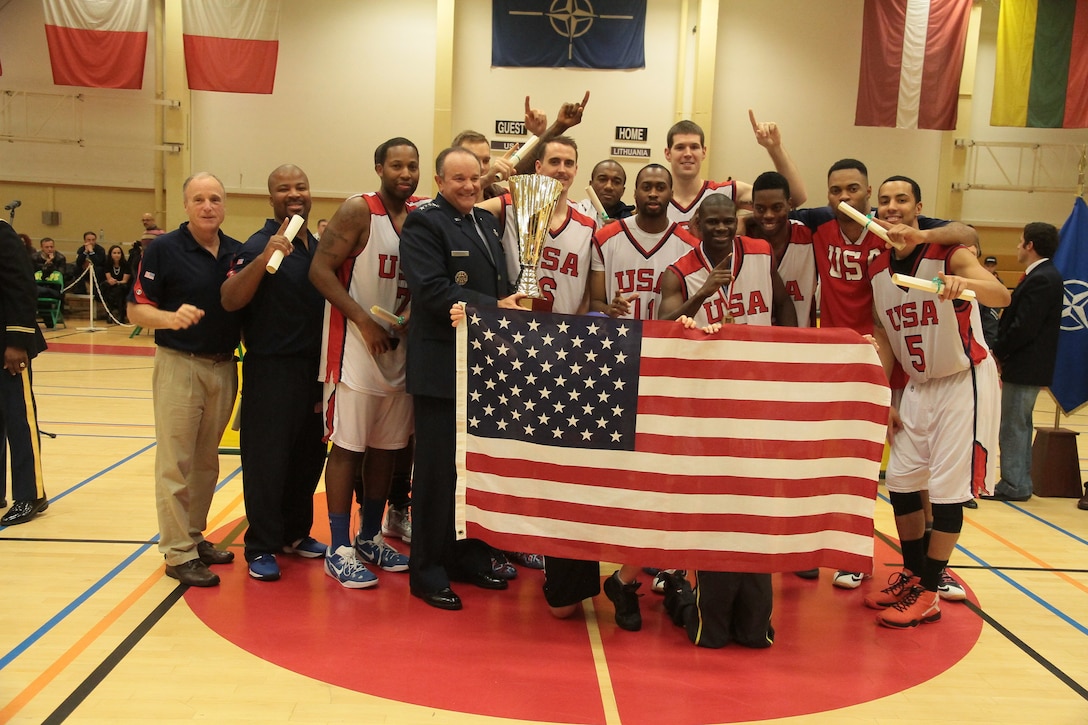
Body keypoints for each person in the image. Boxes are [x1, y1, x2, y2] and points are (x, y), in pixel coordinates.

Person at [791, 158, 979, 590]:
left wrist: (922, 234)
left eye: (855, 189)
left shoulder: (918, 236)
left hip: (922, 363)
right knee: (865, 468)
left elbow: (966, 234)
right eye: (837, 190)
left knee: (925, 477)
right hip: (862, 361)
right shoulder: (827, 227)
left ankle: (933, 569)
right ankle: (857, 554)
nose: (845, 197)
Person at [864, 176, 1009, 627]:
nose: (891, 207)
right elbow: (887, 334)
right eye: (884, 200)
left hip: (963, 379)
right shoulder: (877, 269)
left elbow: (1001, 294)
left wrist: (959, 285)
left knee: (946, 491)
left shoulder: (949, 253)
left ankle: (930, 591)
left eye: (901, 200)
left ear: (918, 207)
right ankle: (912, 573)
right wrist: (886, 393)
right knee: (903, 483)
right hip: (919, 385)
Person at [399, 146, 526, 610]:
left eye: (475, 178)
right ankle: (427, 570)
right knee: (435, 474)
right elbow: (432, 290)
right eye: (459, 179)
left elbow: (491, 285)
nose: (470, 186)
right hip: (439, 369)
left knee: (471, 472)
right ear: (439, 180)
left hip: (480, 367)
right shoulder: (424, 223)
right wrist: (496, 306)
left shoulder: (485, 223)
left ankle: (465, 556)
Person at [309, 138, 424, 589]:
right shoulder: (359, 210)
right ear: (379, 167)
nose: (405, 173)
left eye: (412, 166)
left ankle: (370, 535)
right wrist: (362, 321)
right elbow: (319, 270)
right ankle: (339, 547)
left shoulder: (420, 216)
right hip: (355, 347)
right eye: (397, 165)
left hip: (399, 347)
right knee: (348, 447)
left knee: (386, 448)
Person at [126, 172, 241, 588]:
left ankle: (193, 538)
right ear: (186, 205)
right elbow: (136, 311)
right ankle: (177, 553)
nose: (207, 206)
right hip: (179, 364)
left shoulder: (234, 252)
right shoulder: (164, 250)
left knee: (207, 462)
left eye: (215, 198)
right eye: (199, 199)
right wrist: (169, 319)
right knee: (176, 462)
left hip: (223, 367)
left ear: (224, 204)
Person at [221, 164, 329, 582]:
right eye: (284, 189)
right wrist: (266, 256)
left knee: (308, 456)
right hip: (272, 371)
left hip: (316, 371)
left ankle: (294, 535)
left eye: (301, 186)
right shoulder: (257, 245)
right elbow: (230, 300)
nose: (294, 193)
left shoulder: (318, 247)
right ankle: (261, 544)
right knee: (268, 461)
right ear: (271, 198)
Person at [983, 222, 1064, 502]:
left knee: (1013, 424)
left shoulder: (1043, 278)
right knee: (1019, 423)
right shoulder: (1042, 275)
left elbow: (1024, 326)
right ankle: (1020, 480)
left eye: (1020, 242)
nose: (1017, 246)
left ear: (1030, 245)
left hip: (1026, 364)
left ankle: (1014, 483)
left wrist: (999, 350)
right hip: (1027, 364)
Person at [480, 135, 597, 316]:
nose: (561, 169)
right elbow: (457, 211)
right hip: (513, 327)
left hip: (564, 333)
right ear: (538, 167)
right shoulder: (511, 205)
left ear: (576, 170)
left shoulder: (588, 226)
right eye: (554, 161)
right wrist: (486, 179)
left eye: (568, 163)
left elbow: (587, 294)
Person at [659, 194, 797, 327]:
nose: (721, 228)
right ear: (699, 224)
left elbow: (783, 303)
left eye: (728, 221)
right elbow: (664, 327)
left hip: (758, 349)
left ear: (736, 223)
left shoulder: (762, 251)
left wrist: (791, 347)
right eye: (712, 222)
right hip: (706, 350)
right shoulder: (677, 273)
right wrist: (702, 294)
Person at [590, 163, 696, 323]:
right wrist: (608, 309)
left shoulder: (690, 246)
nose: (653, 194)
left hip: (665, 341)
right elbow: (594, 301)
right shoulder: (604, 238)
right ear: (635, 194)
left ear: (671, 194)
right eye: (646, 187)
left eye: (660, 188)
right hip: (618, 339)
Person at [665, 112, 806, 224]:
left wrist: (775, 148)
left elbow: (795, 199)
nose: (688, 154)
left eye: (694, 147)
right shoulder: (654, 200)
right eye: (680, 147)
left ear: (704, 152)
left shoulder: (728, 192)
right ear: (668, 153)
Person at [0, 218, 49, 526]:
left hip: (6, 345)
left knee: (19, 418)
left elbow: (21, 287)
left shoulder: (1, 231)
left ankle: (31, 494)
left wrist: (17, 340)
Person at [740, 171, 817, 327]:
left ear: (789, 204)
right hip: (753, 343)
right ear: (752, 207)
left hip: (801, 341)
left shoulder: (810, 236)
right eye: (760, 209)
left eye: (776, 208)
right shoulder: (741, 240)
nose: (768, 215)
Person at [576, 159, 634, 226]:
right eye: (602, 179)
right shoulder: (576, 213)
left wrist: (621, 232)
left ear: (623, 190)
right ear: (590, 185)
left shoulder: (630, 222)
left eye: (616, 182)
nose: (608, 187)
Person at [102, 245, 132, 323]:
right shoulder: (107, 264)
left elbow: (125, 280)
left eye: (119, 253)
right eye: (114, 253)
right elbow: (109, 278)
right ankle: (111, 313)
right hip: (111, 285)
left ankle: (119, 313)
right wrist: (111, 281)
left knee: (119, 290)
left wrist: (117, 282)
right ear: (110, 254)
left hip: (122, 285)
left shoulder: (126, 265)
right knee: (108, 288)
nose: (117, 255)